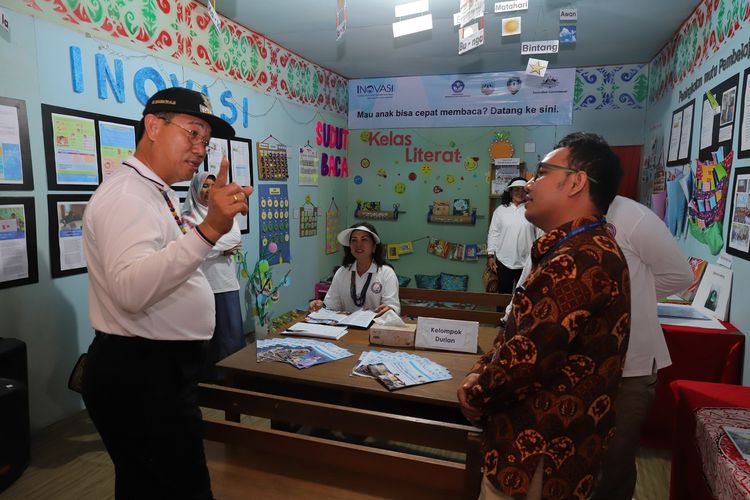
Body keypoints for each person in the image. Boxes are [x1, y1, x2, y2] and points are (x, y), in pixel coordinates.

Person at [81, 87, 252, 499]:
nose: (199, 149)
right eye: (192, 133)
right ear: (153, 126)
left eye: (205, 141)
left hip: (157, 370)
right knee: (177, 487)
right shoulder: (128, 196)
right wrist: (210, 229)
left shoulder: (153, 191)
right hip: (143, 373)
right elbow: (131, 290)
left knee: (151, 485)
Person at [458, 132, 631, 500]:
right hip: (539, 447)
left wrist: (477, 392)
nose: (530, 184)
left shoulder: (578, 258)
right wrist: (481, 367)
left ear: (576, 182)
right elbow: (516, 332)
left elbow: (527, 360)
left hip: (537, 453)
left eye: (541, 173)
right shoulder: (572, 248)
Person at [588, 195, 693, 500]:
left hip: (629, 362)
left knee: (615, 458)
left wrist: (625, 293)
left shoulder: (632, 216)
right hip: (576, 362)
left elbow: (680, 275)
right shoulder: (557, 216)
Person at [182, 171, 245, 383]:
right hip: (200, 286)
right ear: (196, 190)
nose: (208, 190)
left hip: (226, 284)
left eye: (212, 185)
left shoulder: (224, 213)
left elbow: (235, 237)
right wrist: (218, 248)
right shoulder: (187, 217)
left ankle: (232, 380)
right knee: (205, 338)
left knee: (230, 335)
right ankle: (207, 382)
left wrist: (206, 244)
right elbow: (190, 248)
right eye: (204, 186)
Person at [309, 222, 400, 316]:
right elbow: (331, 305)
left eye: (364, 239)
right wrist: (320, 305)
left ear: (374, 247)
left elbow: (392, 307)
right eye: (354, 240)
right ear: (350, 247)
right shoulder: (342, 272)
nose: (358, 245)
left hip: (375, 327)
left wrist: (389, 308)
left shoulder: (386, 273)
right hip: (346, 328)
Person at [486, 177, 540, 293]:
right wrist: (491, 255)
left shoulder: (533, 210)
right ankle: (501, 312)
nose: (520, 193)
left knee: (524, 296)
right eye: (516, 190)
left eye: (523, 190)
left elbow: (540, 235)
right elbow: (493, 233)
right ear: (510, 192)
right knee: (502, 296)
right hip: (503, 261)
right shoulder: (500, 211)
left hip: (527, 262)